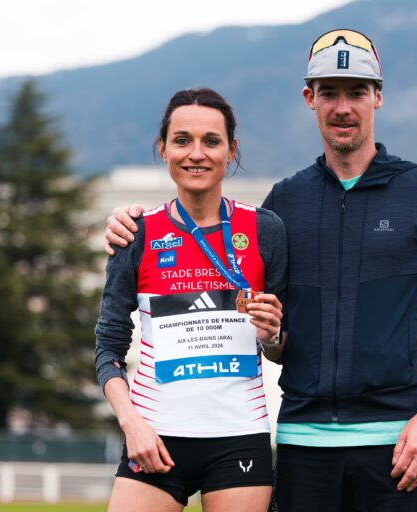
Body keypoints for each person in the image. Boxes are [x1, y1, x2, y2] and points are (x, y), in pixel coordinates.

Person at [104, 30, 417, 512]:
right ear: (310, 98)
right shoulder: (283, 206)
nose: (343, 107)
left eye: (357, 92)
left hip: (399, 443)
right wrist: (126, 228)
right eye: (329, 92)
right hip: (303, 445)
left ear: (378, 96)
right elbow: (270, 331)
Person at [95, 87, 287, 512]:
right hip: (153, 438)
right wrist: (132, 425)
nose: (196, 153)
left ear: (231, 151)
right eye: (182, 140)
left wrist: (272, 335)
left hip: (239, 438)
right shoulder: (136, 233)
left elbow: (282, 349)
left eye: (211, 141)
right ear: (163, 149)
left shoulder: (266, 230)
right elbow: (108, 348)